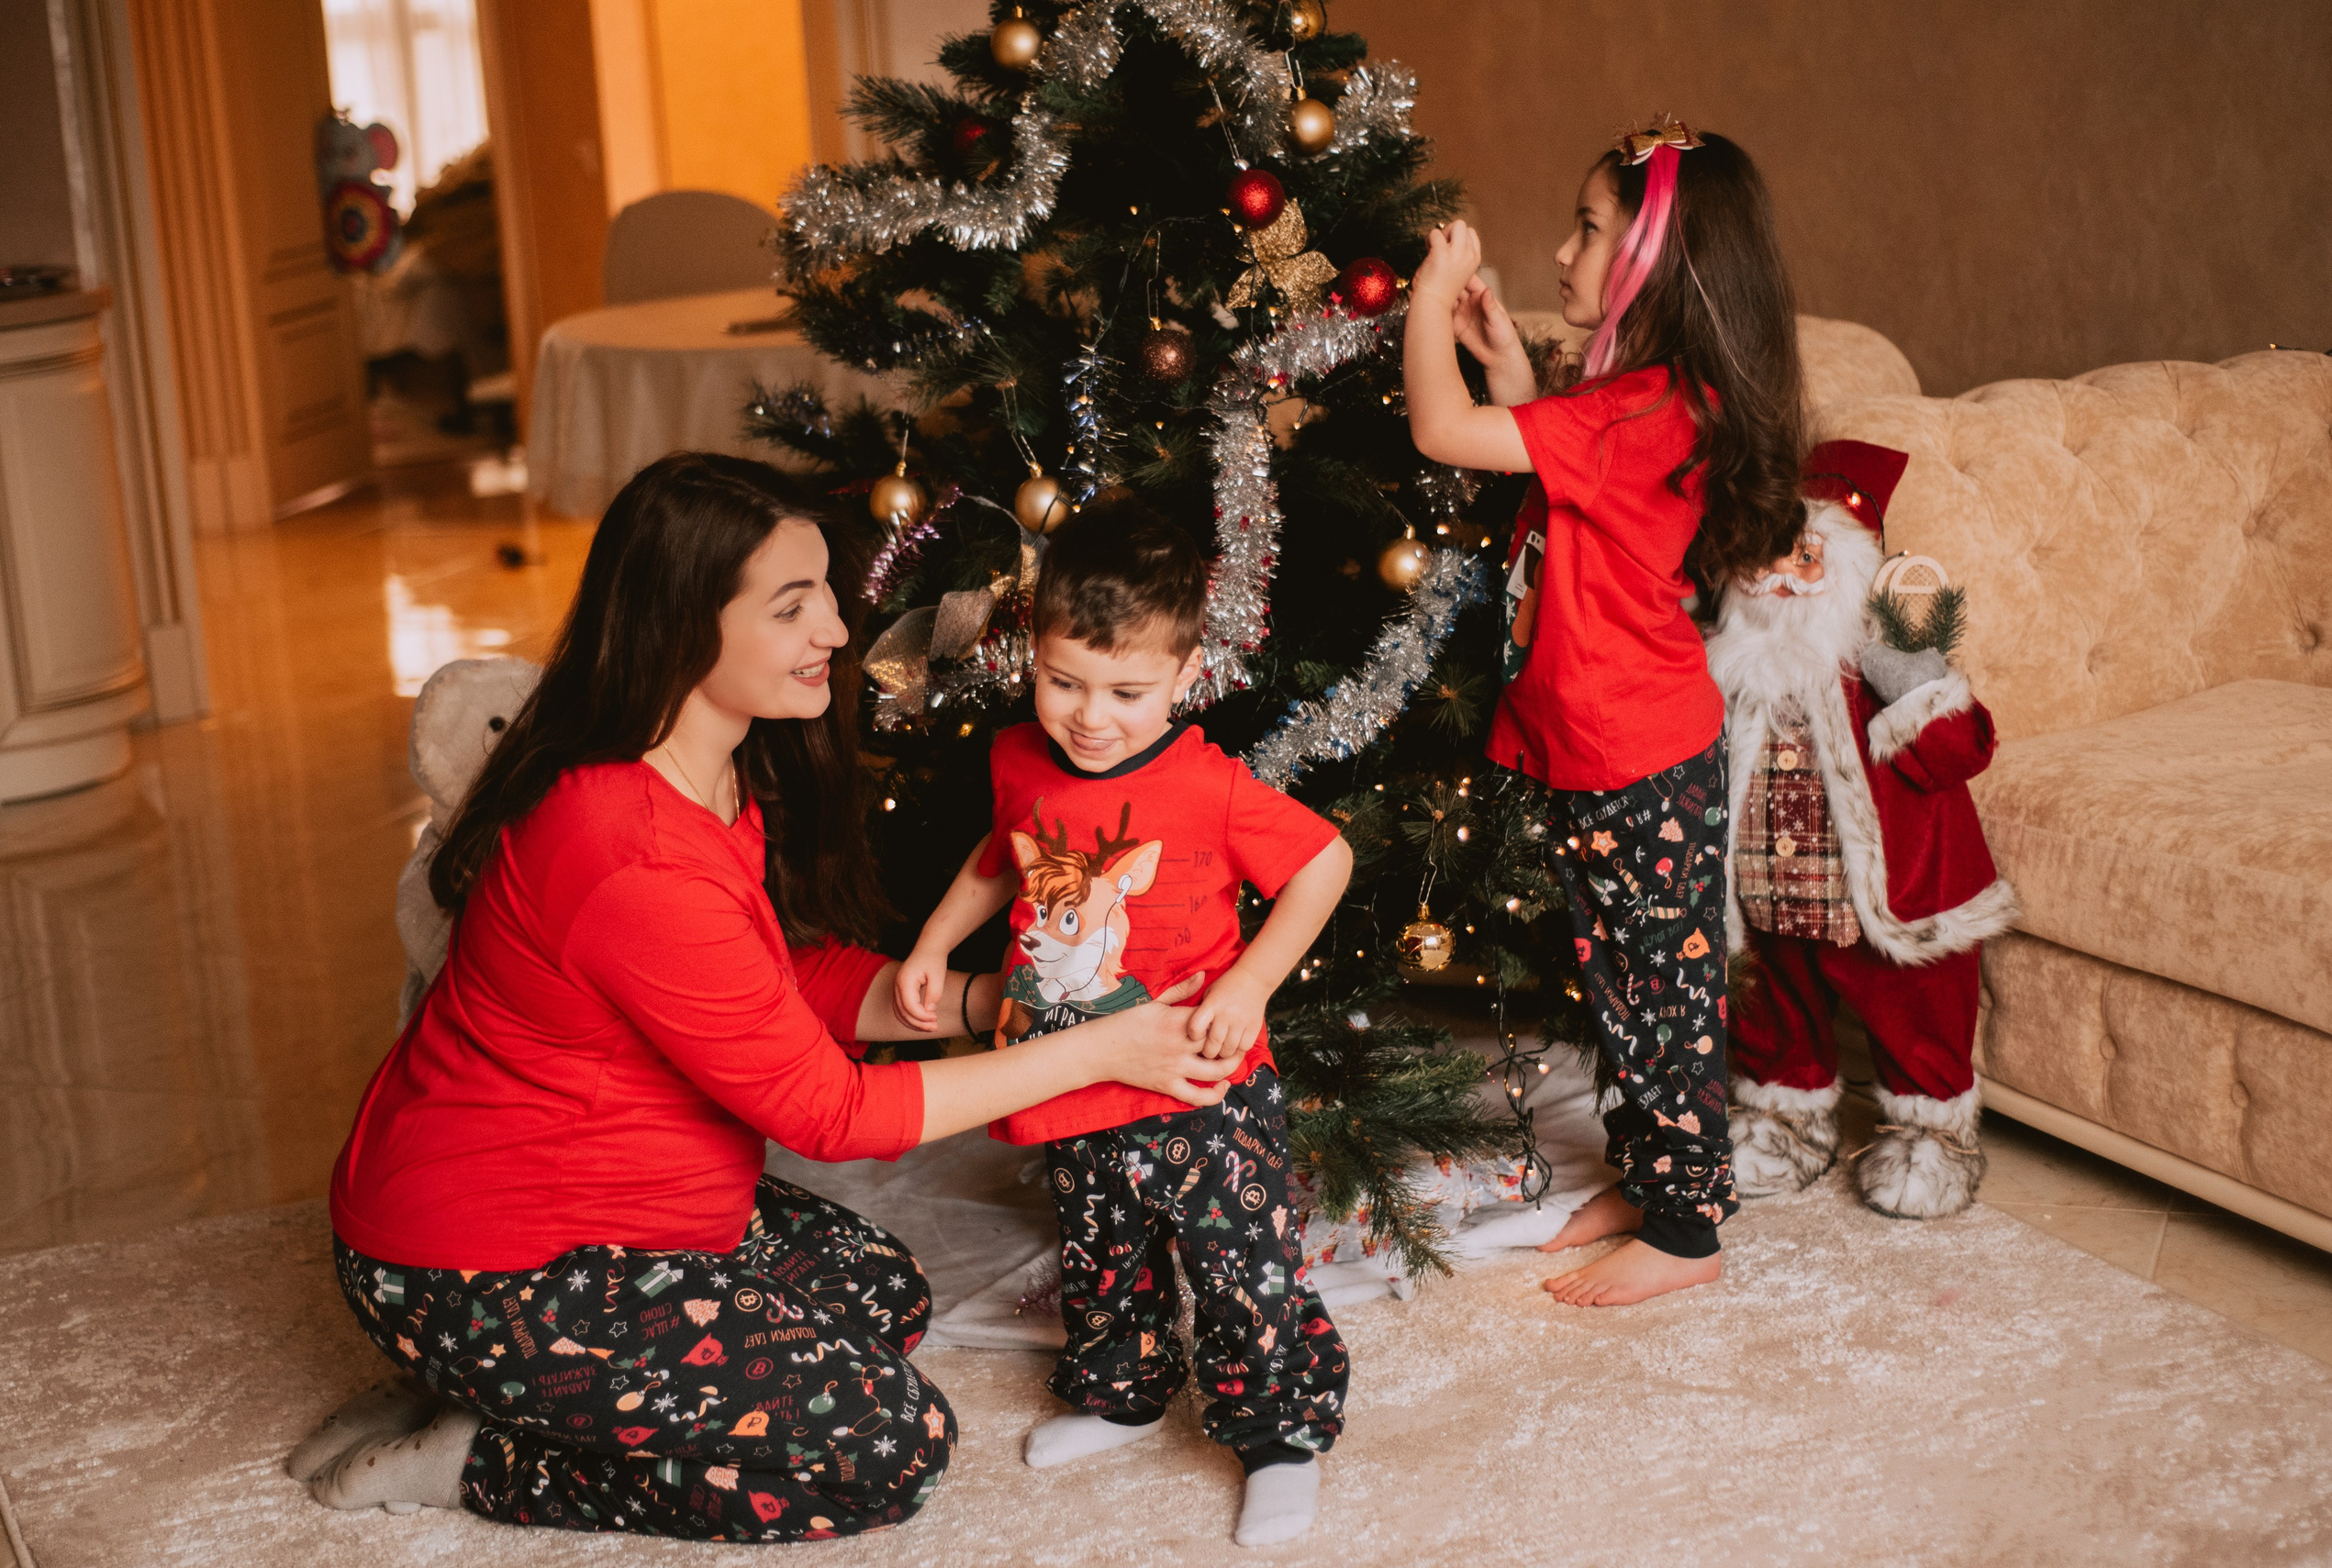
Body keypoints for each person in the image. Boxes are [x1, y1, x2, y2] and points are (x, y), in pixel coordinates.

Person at [295, 453, 1233, 1542]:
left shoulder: (700, 771)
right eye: (794, 607)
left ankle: (522, 1393)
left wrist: (986, 1001)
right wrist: (1097, 1048)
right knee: (886, 1448)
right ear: (687, 625)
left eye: (827, 593)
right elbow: (830, 1114)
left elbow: (762, 981)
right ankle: (486, 1454)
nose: (836, 630)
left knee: (882, 1293)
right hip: (479, 1261)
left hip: (607, 1212)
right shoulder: (624, 846)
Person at [1400, 118, 1811, 1306]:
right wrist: (1513, 368)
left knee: (1663, 998)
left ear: (1656, 259)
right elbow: (1563, 483)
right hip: (1609, 751)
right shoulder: (1639, 402)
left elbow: (1442, 433)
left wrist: (1430, 303)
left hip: (1640, 759)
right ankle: (1649, 1176)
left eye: (1590, 227)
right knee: (1624, 984)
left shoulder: (1642, 413)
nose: (1567, 251)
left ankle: (1690, 1231)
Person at [891, 498, 1354, 1548]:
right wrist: (931, 939)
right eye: (1064, 681)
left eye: (1127, 691)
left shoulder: (1209, 785)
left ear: (1187, 676)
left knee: (1240, 1255)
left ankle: (1278, 1432)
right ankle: (1120, 1388)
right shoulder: (1020, 757)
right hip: (1063, 1065)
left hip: (1199, 1069)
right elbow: (998, 850)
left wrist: (1250, 987)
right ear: (1032, 656)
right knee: (1101, 1247)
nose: (1090, 715)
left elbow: (1325, 859)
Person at [1710, 440, 2016, 1218]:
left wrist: (1910, 674)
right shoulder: (1726, 663)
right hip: (1766, 892)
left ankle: (1933, 1132)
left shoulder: (1874, 658)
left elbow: (1960, 749)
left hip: (1885, 894)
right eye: (1762, 557)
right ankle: (1784, 1115)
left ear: (1846, 570)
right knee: (1770, 1002)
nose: (1779, 575)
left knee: (1914, 1005)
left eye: (1805, 557)